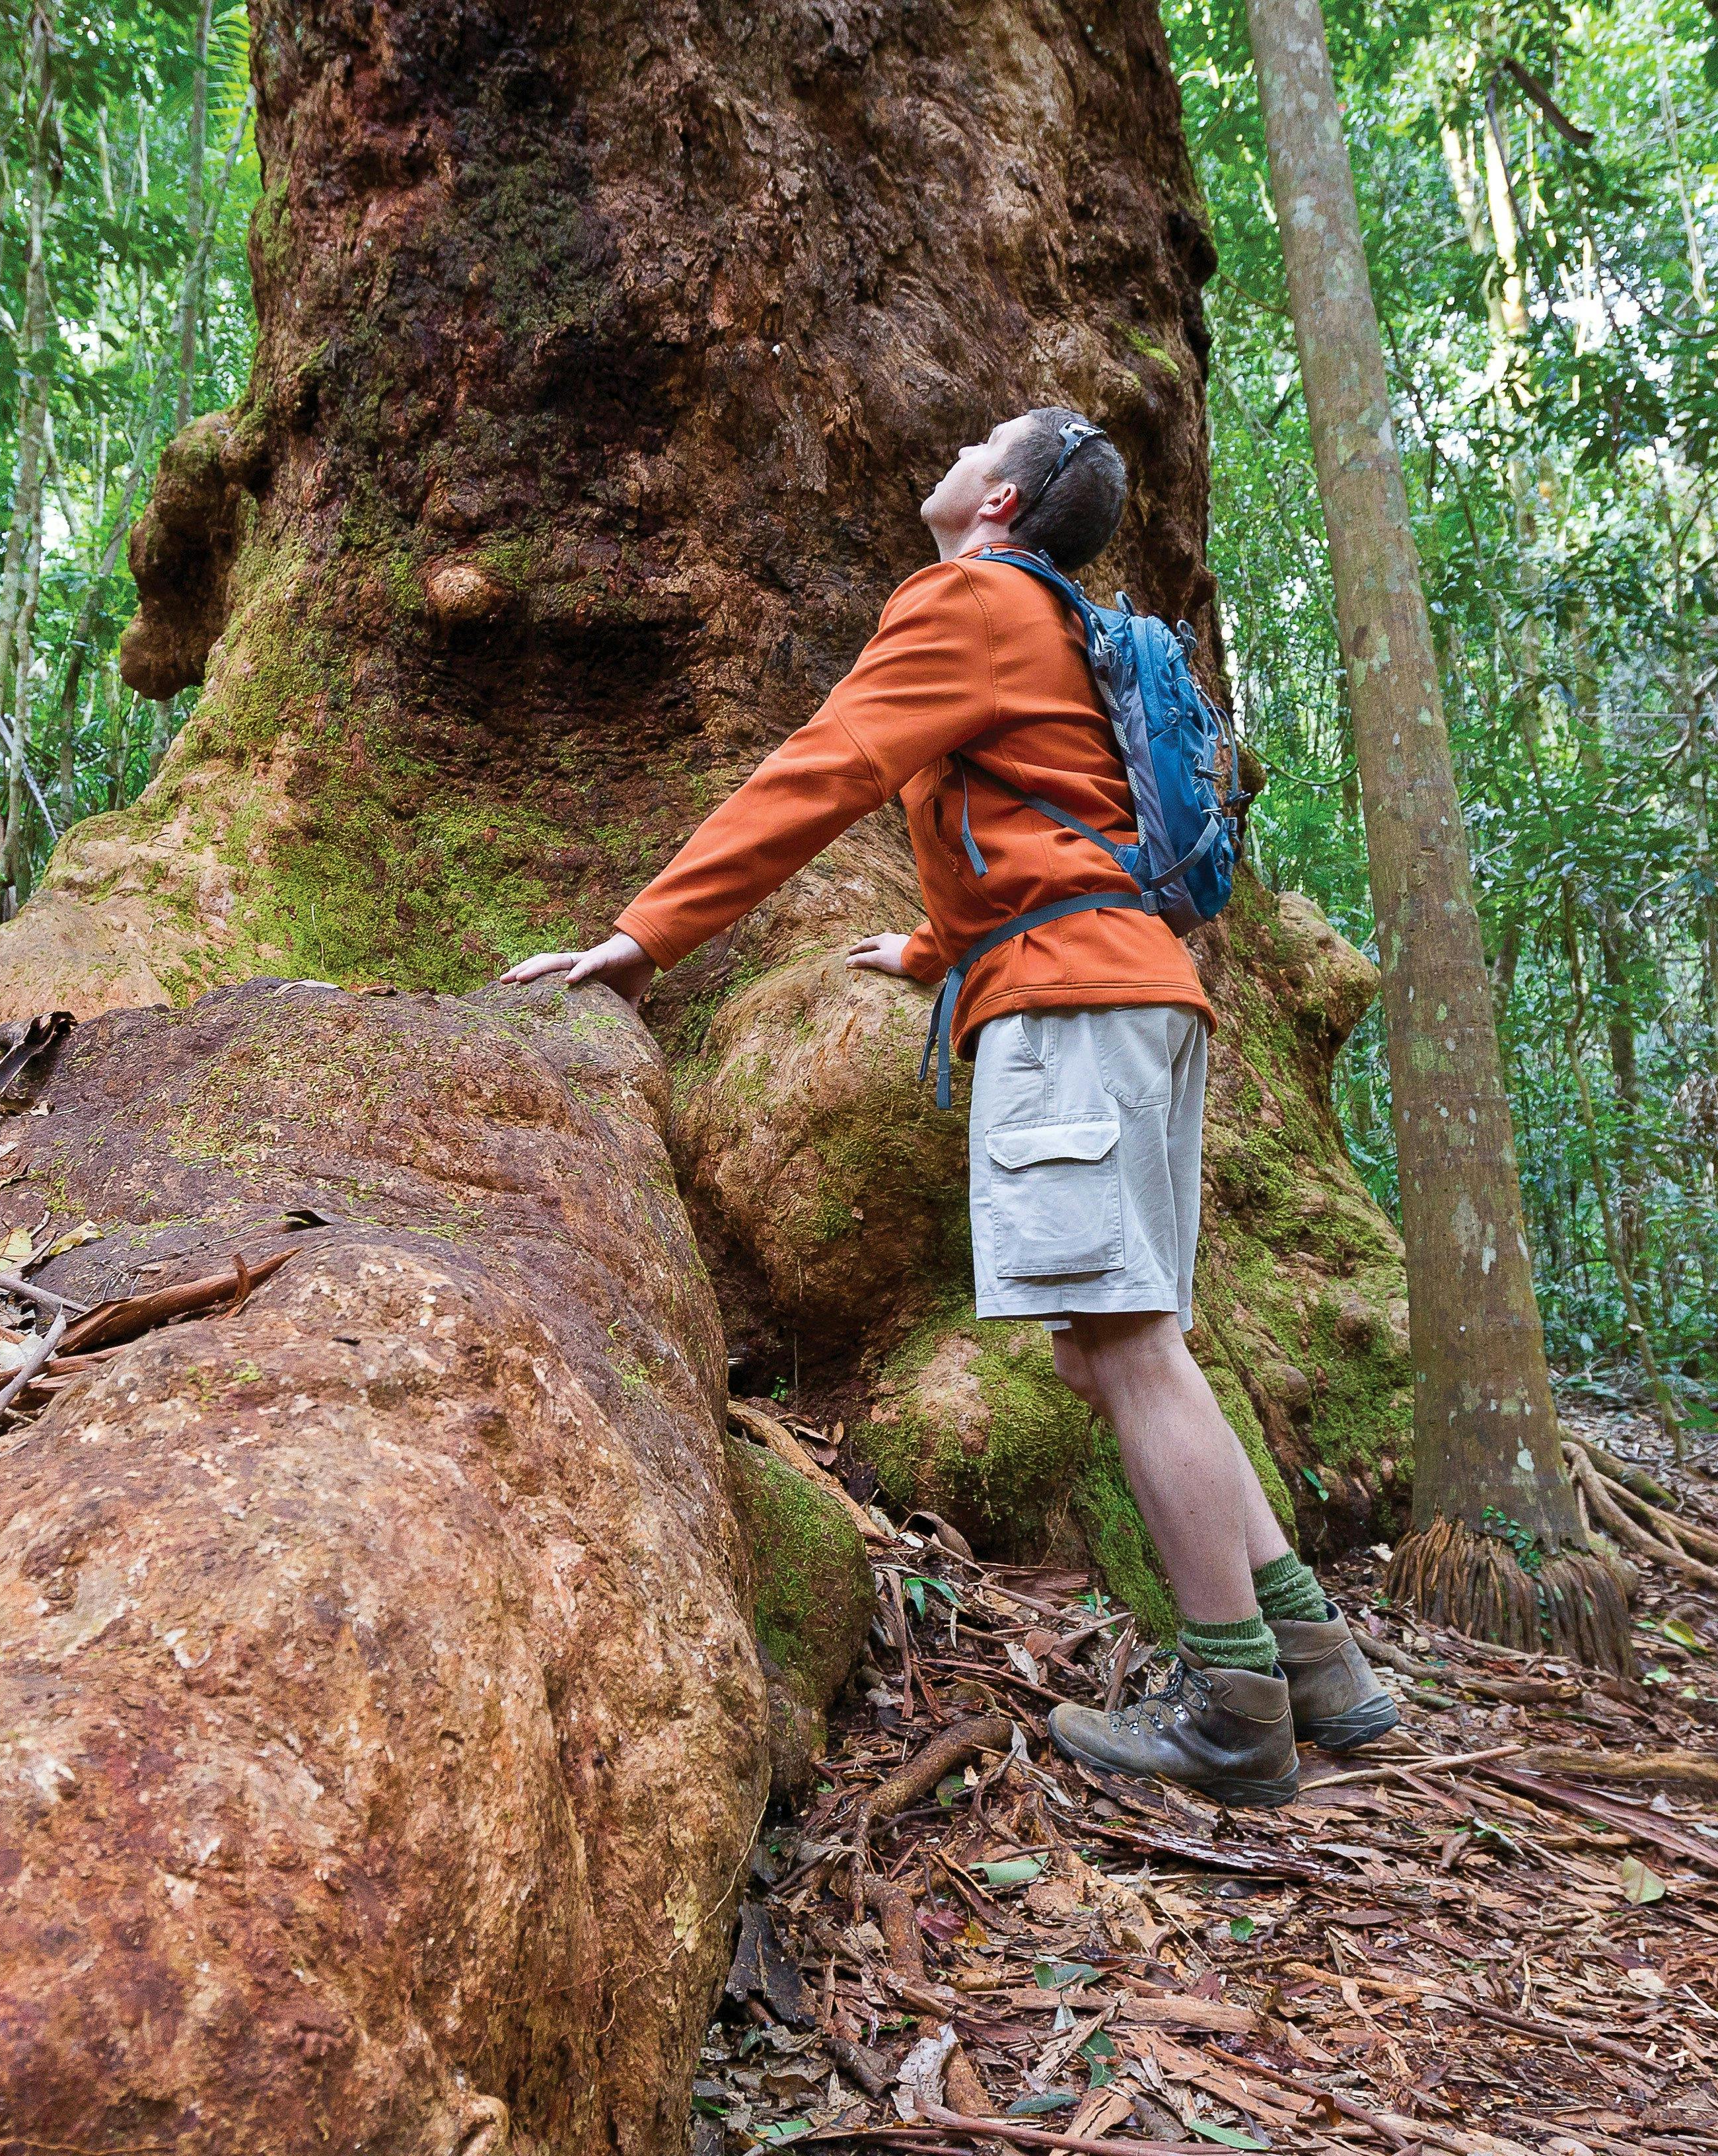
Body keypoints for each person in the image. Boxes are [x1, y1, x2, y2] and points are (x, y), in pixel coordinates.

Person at [499, 408, 1398, 1804]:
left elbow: (827, 762)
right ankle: (1317, 1659)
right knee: (1125, 1350)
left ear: (1003, 499)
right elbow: (1057, 815)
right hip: (1139, 993)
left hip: (1072, 1009)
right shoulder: (1060, 623)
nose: (956, 450)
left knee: (1126, 1348)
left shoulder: (969, 601)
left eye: (981, 443)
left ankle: (1233, 1707)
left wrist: (643, 935)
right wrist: (931, 947)